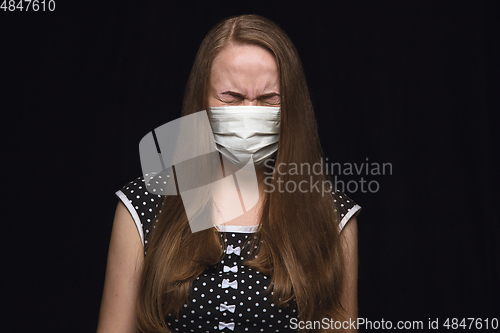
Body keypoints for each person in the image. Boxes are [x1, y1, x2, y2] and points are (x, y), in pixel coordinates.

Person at [97, 14, 361, 333]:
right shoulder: (145, 204)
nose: (249, 113)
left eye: (268, 100)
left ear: (291, 106)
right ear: (202, 101)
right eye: (232, 98)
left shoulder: (331, 217)